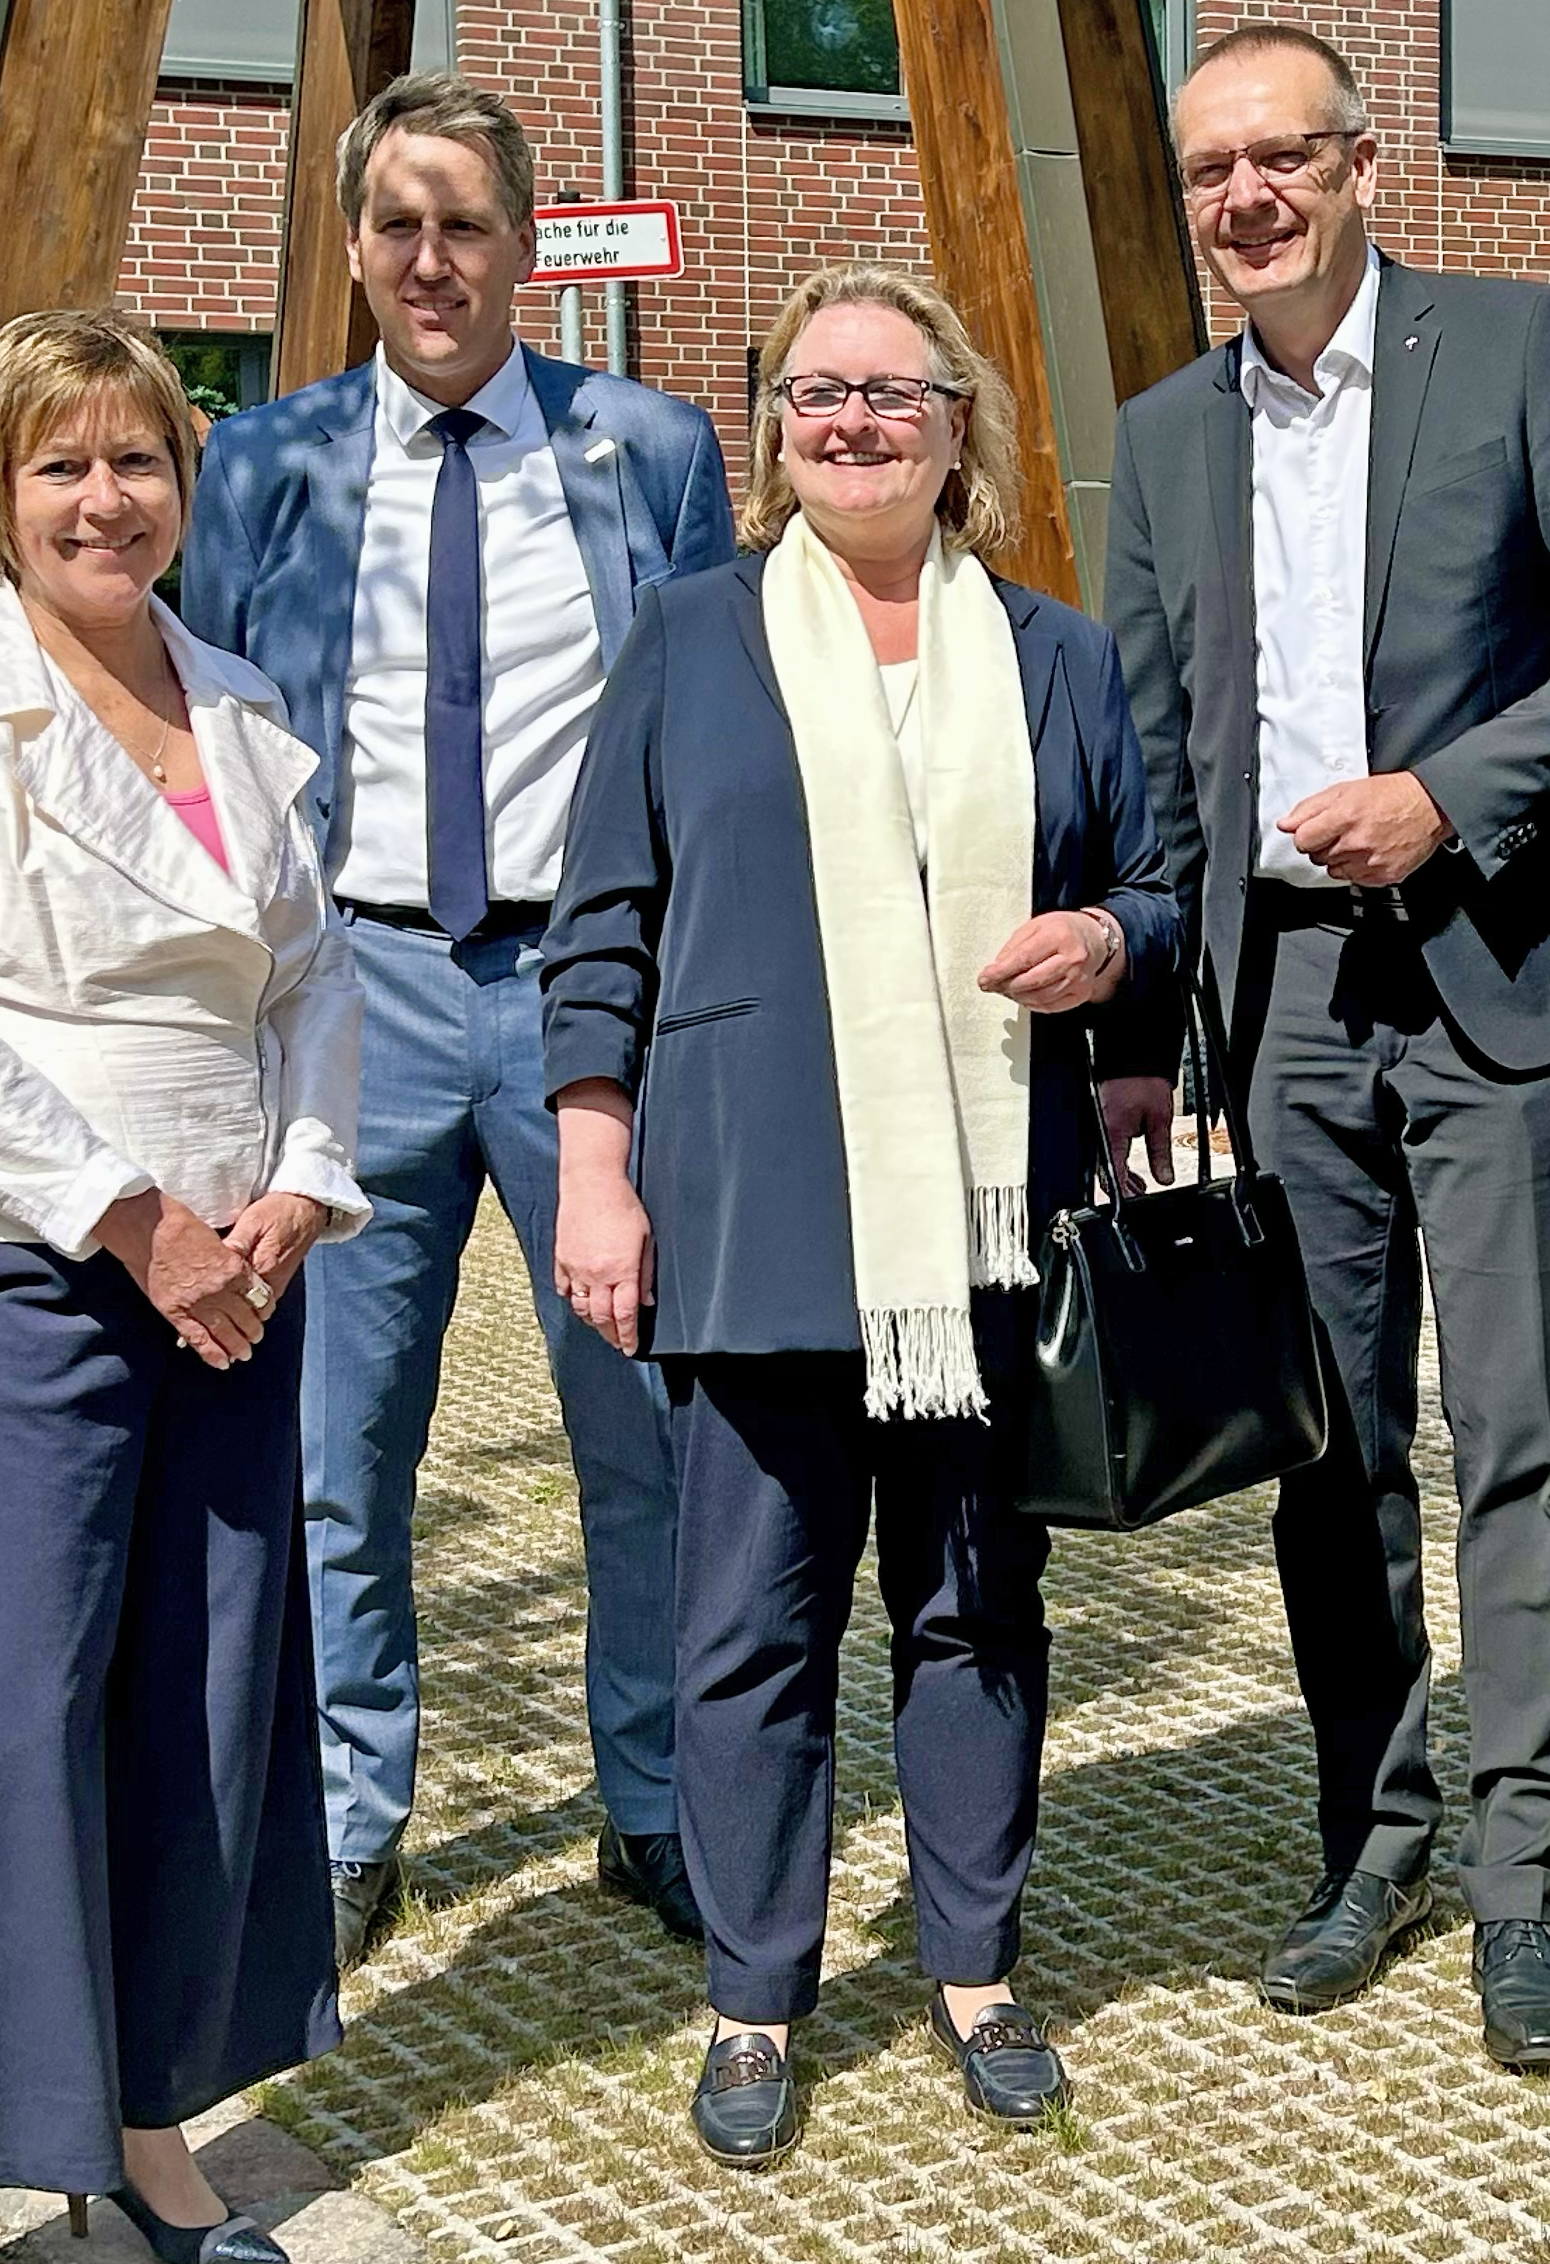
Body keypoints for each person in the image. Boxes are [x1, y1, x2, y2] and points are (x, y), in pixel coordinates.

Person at [1104, 23, 1550, 2072]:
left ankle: (1528, 1881)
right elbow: (1164, 760)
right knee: (1328, 1446)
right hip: (1281, 1004)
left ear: (1363, 166)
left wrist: (1447, 796)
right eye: (1212, 170)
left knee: (1519, 1439)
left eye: (1283, 156)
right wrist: (1155, 1039)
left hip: (1498, 974)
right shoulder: (1164, 435)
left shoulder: (1515, 345)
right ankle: (1371, 1840)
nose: (1247, 197)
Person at [543, 263, 1180, 2167]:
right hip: (753, 1211)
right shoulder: (691, 637)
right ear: (773, 435)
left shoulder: (1055, 654)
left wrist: (1108, 946)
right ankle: (753, 1996)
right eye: (816, 393)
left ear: (956, 425)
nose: (851, 423)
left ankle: (974, 1969)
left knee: (974, 1608)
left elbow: (1154, 886)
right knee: (749, 1626)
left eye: (890, 393)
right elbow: (603, 923)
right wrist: (592, 1167)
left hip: (986, 1226)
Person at [0, 308, 361, 2264]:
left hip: (243, 1276)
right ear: (2, 489)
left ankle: (140, 2124)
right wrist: (133, 1219)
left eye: (139, 459)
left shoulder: (244, 701)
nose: (105, 498)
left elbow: (313, 977)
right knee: (1, 1716)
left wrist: (300, 1184)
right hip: (24, 1264)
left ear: (184, 487)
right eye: (63, 463)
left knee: (202, 1708)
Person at [181, 72, 738, 1966]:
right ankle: (352, 1822)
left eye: (467, 226)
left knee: (640, 1435)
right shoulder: (266, 464)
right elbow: (210, 731)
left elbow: (707, 731)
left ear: (524, 247)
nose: (432, 262)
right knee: (341, 1452)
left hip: (591, 1004)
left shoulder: (645, 448)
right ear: (355, 248)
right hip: (362, 994)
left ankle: (652, 1802)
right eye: (399, 226)